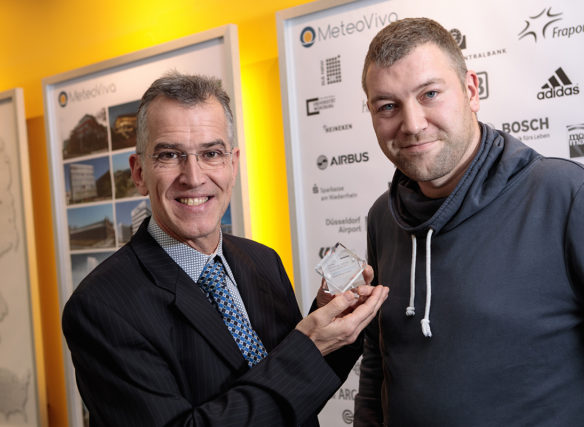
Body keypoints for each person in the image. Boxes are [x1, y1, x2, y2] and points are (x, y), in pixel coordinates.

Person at [355, 17, 584, 426]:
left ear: (471, 90)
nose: (412, 124)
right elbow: (379, 360)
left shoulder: (568, 196)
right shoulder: (384, 217)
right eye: (387, 106)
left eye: (430, 93)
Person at [62, 71, 388, 426]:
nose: (194, 176)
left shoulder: (262, 261)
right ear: (139, 173)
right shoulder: (100, 307)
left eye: (211, 153)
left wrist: (335, 325)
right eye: (170, 155)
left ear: (232, 165)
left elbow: (293, 393)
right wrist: (308, 347)